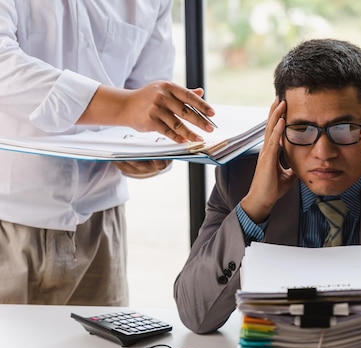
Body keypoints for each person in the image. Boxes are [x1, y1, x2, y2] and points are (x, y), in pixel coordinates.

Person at [173, 38, 361, 340]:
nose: (323, 152)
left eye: (344, 128)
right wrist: (254, 206)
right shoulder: (240, 176)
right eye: (302, 129)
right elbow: (195, 315)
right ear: (278, 127)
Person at [0, 1, 215, 305]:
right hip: (7, 218)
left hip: (101, 226)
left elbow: (146, 98)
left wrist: (151, 153)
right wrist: (125, 107)